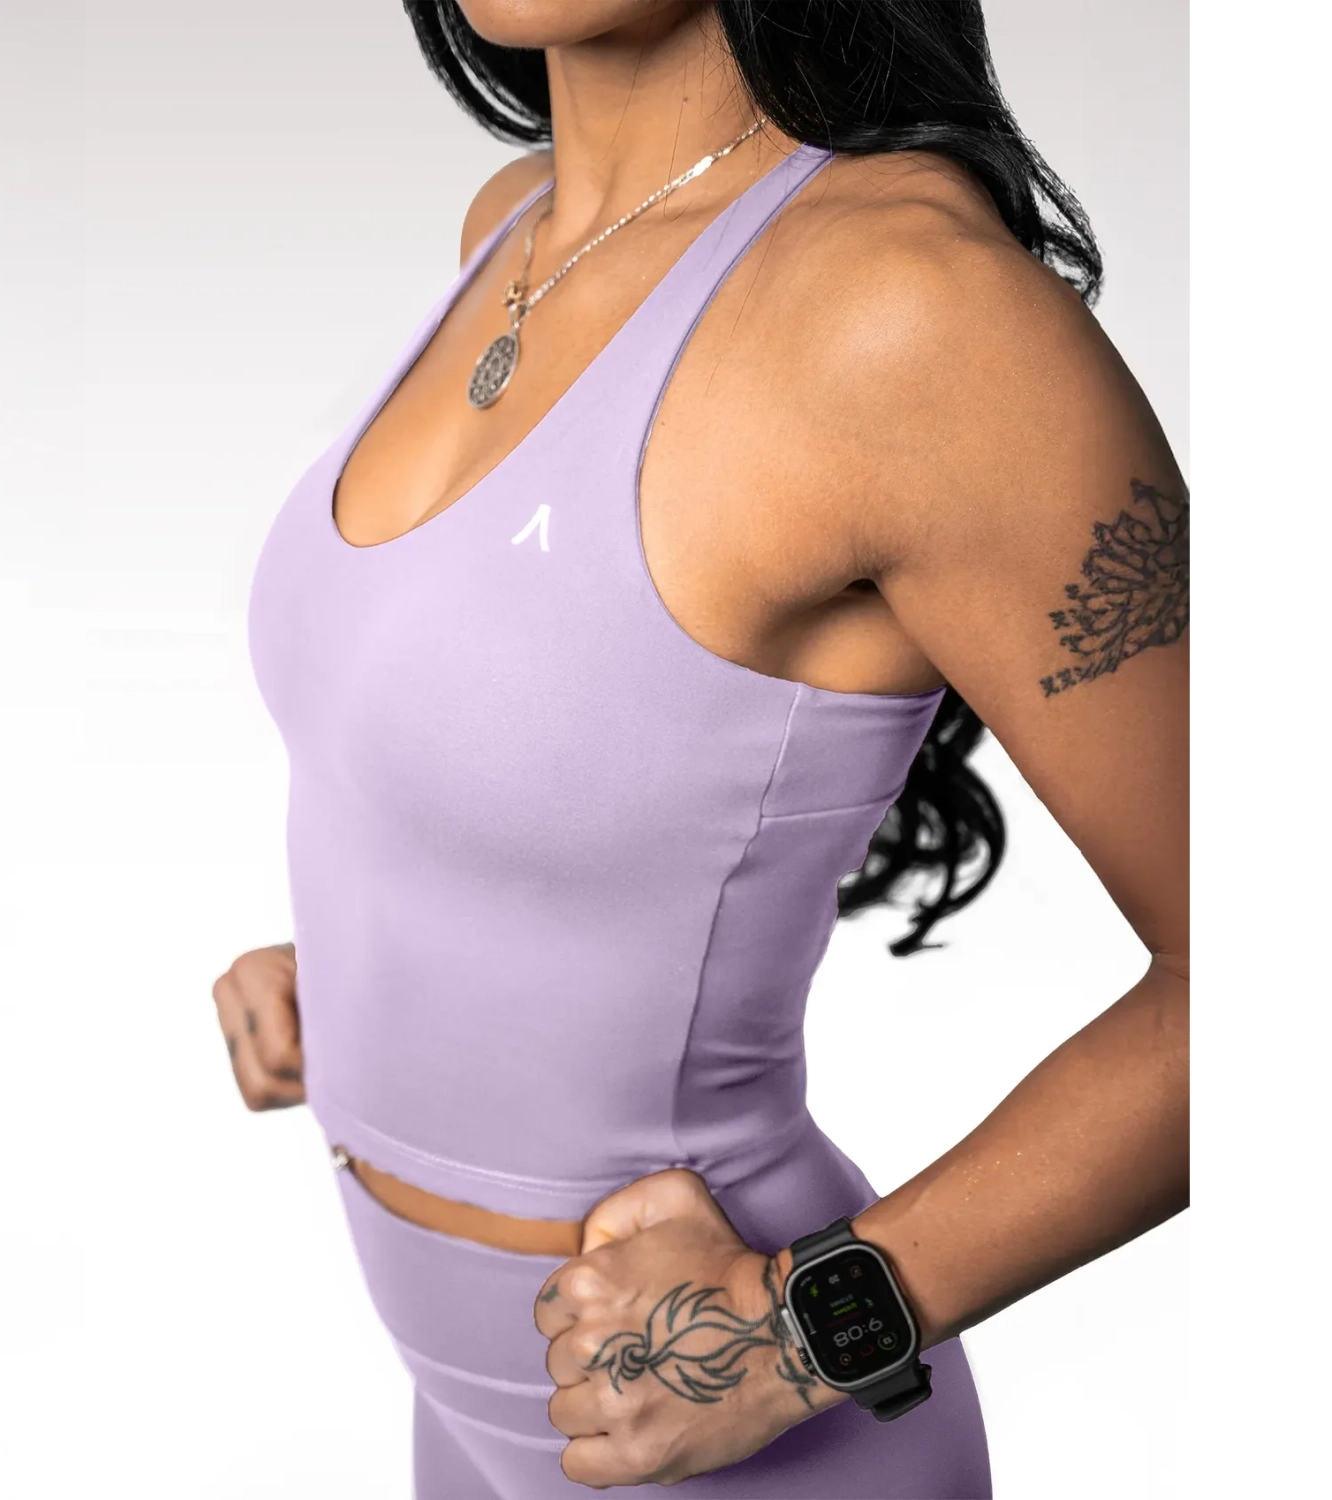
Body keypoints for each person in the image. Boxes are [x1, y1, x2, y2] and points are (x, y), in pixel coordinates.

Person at [212, 2, 1188, 1495]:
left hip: (749, 1444)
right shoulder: (512, 230)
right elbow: (548, 735)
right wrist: (367, 959)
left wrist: (802, 1336)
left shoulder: (913, 311)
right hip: (468, 1420)